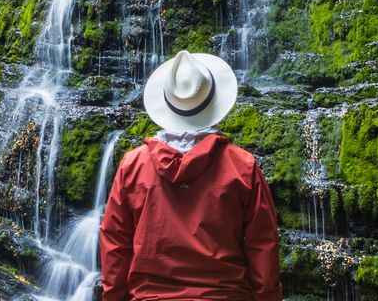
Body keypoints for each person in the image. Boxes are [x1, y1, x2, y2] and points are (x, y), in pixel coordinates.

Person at [100, 50, 282, 301]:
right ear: (214, 101)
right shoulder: (243, 167)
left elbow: (115, 245)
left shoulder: (133, 165)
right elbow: (263, 247)